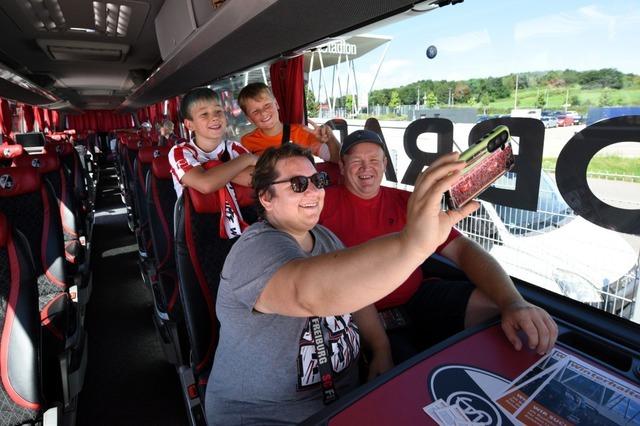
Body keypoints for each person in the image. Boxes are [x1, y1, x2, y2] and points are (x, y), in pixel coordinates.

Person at [206, 142, 478, 425]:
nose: (314, 191)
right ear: (266, 198)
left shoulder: (324, 237)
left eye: (318, 181)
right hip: (267, 415)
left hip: (346, 400)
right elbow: (310, 293)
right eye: (298, 184)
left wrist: (381, 348)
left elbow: (355, 294)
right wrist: (413, 245)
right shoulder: (254, 250)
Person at [319, 129, 558, 363]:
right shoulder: (320, 205)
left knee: (499, 308)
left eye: (373, 160)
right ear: (341, 166)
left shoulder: (407, 202)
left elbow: (463, 249)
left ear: (384, 164)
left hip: (417, 298)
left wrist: (513, 302)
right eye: (356, 161)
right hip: (363, 316)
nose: (366, 167)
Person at [168, 87, 257, 236]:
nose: (214, 118)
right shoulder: (180, 152)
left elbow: (256, 179)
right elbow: (206, 184)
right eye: (204, 114)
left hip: (246, 222)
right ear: (189, 125)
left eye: (218, 111)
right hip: (199, 229)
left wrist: (211, 170)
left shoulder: (234, 147)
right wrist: (246, 159)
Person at [238, 82, 341, 162]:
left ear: (276, 104)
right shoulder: (246, 142)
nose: (263, 113)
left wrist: (330, 138)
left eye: (267, 105)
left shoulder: (302, 132)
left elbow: (337, 159)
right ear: (249, 118)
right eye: (256, 111)